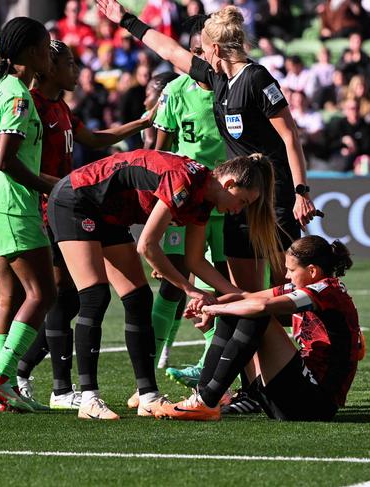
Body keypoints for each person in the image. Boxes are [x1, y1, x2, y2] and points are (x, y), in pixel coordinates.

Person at [97, 0, 316, 291]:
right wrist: (126, 20)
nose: (198, 56)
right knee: (247, 295)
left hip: (272, 197)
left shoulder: (257, 78)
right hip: (238, 199)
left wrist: (301, 192)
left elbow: (290, 136)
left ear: (215, 49)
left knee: (286, 292)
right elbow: (170, 51)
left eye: (203, 50)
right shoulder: (218, 79)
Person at [47, 150, 278, 419]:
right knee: (95, 296)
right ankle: (89, 399)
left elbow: (194, 261)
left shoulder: (204, 198)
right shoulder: (186, 182)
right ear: (228, 184)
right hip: (75, 200)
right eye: (242, 201)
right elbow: (147, 245)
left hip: (108, 213)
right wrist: (190, 289)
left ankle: (148, 397)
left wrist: (240, 295)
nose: (239, 210)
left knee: (139, 299)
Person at [13, 40, 161, 411]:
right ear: (48, 67)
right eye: (69, 63)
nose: (77, 70)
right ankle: (49, 383)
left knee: (70, 297)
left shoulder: (60, 107)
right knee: (67, 295)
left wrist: (142, 123)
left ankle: (42, 380)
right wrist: (61, 188)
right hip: (53, 208)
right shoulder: (30, 105)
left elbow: (95, 139)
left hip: (75, 201)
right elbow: (15, 162)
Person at [157, 235, 364, 422]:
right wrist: (209, 303)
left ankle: (207, 401)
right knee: (238, 310)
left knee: (254, 314)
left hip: (316, 405)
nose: (287, 275)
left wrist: (216, 309)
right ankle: (205, 397)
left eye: (291, 270)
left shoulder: (327, 289)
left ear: (312, 271)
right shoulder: (305, 286)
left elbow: (261, 306)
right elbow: (246, 297)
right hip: (294, 399)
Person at [136, 15, 229, 399]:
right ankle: (149, 376)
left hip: (226, 200)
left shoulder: (229, 90)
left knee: (222, 284)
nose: (196, 62)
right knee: (172, 287)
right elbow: (162, 149)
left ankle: (211, 371)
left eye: (201, 54)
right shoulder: (173, 92)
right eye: (190, 54)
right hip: (183, 199)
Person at [0, 17, 56, 412]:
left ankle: (4, 391)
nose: (49, 53)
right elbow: (7, 160)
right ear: (28, 53)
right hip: (12, 207)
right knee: (43, 293)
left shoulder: (4, 88)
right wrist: (50, 187)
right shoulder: (19, 97)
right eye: (44, 46)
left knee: (10, 296)